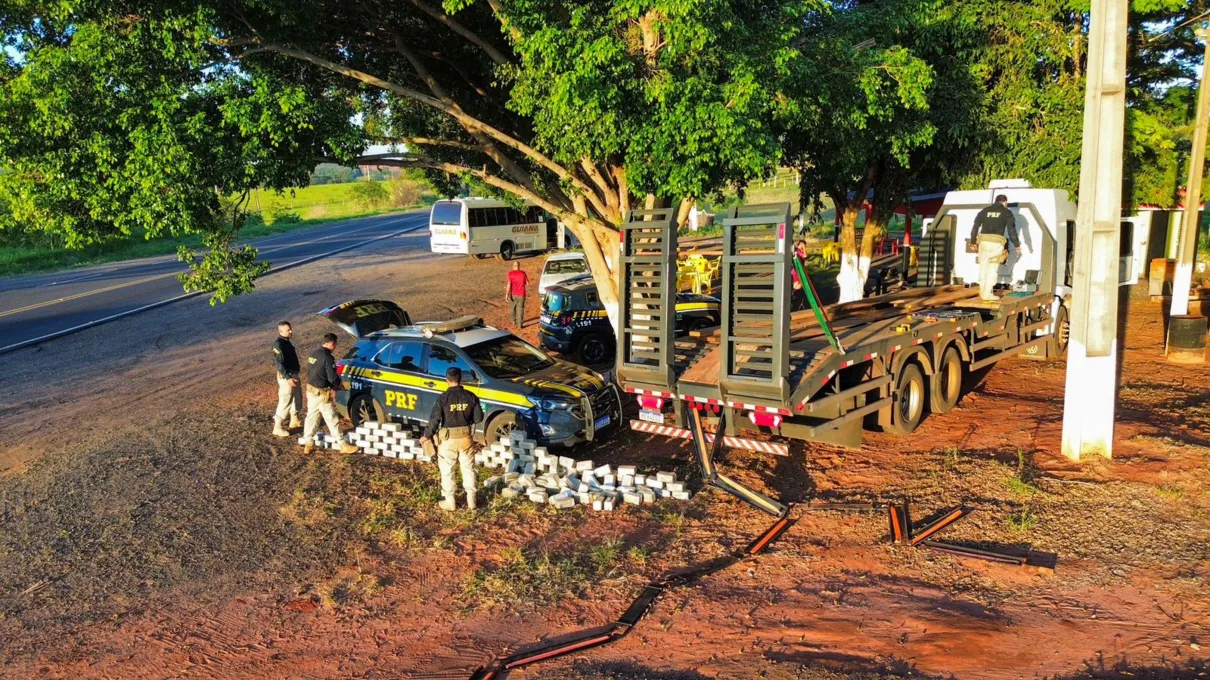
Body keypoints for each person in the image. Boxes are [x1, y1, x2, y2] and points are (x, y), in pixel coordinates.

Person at [421, 367, 484, 511]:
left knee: (447, 470)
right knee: (468, 468)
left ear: (447, 380)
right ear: (461, 379)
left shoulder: (443, 398)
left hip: (448, 440)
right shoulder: (471, 396)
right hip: (466, 438)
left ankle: (450, 502)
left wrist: (426, 436)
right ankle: (472, 501)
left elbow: (434, 419)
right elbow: (478, 418)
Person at [302, 332, 359, 455]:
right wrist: (338, 385)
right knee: (332, 418)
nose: (335, 348)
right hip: (322, 394)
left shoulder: (314, 353)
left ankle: (308, 443)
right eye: (335, 345)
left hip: (311, 391)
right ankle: (342, 444)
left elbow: (313, 371)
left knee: (311, 417)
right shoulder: (327, 357)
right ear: (332, 343)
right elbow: (332, 377)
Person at [968, 194, 1022, 301]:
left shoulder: (984, 211)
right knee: (992, 268)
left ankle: (982, 291)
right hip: (996, 243)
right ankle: (987, 294)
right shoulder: (1007, 212)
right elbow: (1012, 231)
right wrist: (1016, 245)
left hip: (983, 242)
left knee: (983, 267)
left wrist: (973, 242)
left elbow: (975, 227)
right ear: (1005, 202)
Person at [272, 321, 302, 438]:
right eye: (288, 330)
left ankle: (294, 420)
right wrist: (288, 377)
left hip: (293, 374)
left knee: (296, 397)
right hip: (287, 376)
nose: (291, 331)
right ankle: (277, 427)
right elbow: (278, 363)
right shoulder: (278, 344)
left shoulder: (287, 342)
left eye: (290, 329)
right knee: (285, 400)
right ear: (281, 331)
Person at [506, 262, 530, 328]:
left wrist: (506, 294)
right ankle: (519, 324)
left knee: (512, 308)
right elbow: (527, 283)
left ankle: (513, 321)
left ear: (513, 266)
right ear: (519, 266)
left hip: (513, 294)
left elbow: (509, 284)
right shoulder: (523, 273)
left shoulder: (510, 274)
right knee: (520, 309)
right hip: (522, 294)